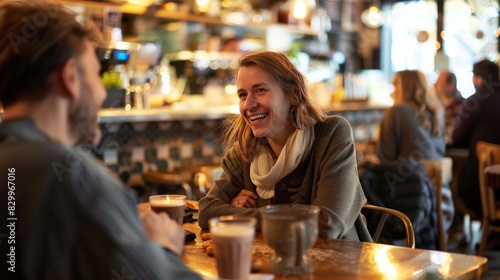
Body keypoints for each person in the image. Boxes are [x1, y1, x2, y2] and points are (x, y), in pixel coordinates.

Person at [0, 1, 201, 279]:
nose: (103, 94)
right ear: (70, 78)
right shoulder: (75, 175)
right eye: (97, 74)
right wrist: (162, 247)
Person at [198, 50, 372, 241]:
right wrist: (299, 214)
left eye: (260, 90)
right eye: (242, 94)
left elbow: (327, 224)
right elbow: (207, 211)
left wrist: (238, 215)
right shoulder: (244, 152)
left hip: (339, 263)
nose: (248, 105)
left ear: (293, 95)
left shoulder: (331, 134)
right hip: (271, 263)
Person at [374, 70, 452, 249]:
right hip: (442, 197)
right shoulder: (437, 112)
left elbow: (384, 161)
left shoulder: (396, 112)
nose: (392, 91)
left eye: (395, 86)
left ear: (404, 88)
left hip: (409, 201)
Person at [452, 59, 500, 218]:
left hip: (483, 185)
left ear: (479, 79)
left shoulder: (476, 99)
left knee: (452, 170)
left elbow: (457, 137)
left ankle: (457, 230)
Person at [434, 70, 465, 145]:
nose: (435, 86)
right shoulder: (435, 104)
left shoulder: (463, 106)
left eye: (439, 83)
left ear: (451, 85)